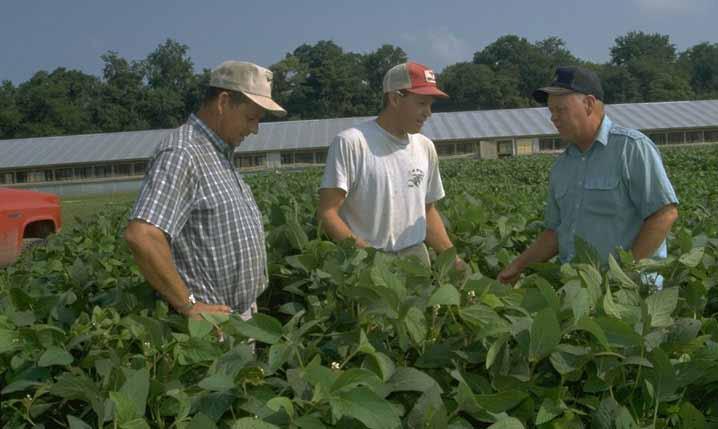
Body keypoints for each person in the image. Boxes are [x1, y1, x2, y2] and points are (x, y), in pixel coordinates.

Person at [124, 60, 286, 319]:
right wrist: (188, 305)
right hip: (210, 326)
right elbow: (142, 235)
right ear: (223, 102)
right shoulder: (183, 152)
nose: (255, 129)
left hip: (236, 316)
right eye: (251, 117)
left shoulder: (217, 152)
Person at [498, 66, 679, 284]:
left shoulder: (630, 148)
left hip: (630, 295)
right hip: (579, 292)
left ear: (589, 104)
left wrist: (623, 276)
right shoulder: (562, 166)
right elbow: (555, 232)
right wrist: (517, 266)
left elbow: (663, 215)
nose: (553, 119)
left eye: (560, 110)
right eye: (551, 111)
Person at [317, 61, 465, 269]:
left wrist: (454, 259)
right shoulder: (352, 142)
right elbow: (327, 213)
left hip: (415, 258)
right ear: (395, 99)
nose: (428, 113)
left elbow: (427, 211)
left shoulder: (425, 147)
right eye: (422, 103)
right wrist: (367, 258)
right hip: (365, 259)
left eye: (430, 105)